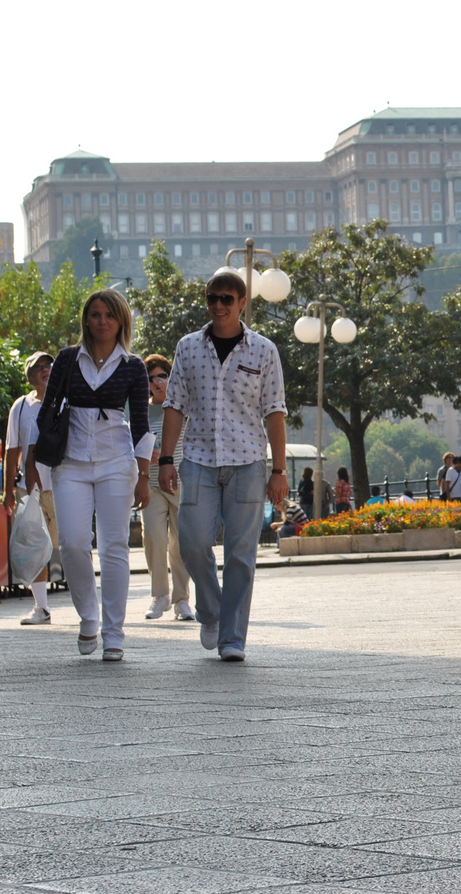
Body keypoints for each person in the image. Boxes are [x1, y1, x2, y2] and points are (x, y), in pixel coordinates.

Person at [157, 267, 288, 663]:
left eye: (227, 299)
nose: (219, 305)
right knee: (193, 543)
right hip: (198, 459)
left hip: (248, 461)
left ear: (242, 302)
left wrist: (278, 471)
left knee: (240, 553)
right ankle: (211, 611)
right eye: (213, 298)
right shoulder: (188, 347)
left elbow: (275, 412)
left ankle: (232, 637)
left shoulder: (263, 350)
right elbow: (174, 404)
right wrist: (166, 459)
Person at [25, 290, 152, 662]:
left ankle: (114, 632)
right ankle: (88, 617)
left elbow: (142, 425)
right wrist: (33, 460)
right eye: (95, 315)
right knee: (73, 542)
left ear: (121, 321)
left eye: (109, 316)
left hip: (117, 461)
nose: (101, 322)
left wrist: (144, 474)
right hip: (71, 462)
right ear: (86, 320)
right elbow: (48, 409)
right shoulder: (66, 358)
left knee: (115, 548)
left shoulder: (133, 365)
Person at [3, 351, 59, 625]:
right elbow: (12, 450)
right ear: (29, 376)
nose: (46, 369)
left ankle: (90, 607)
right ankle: (42, 608)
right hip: (31, 488)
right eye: (39, 367)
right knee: (35, 548)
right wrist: (7, 490)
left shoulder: (63, 401)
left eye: (49, 365)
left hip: (63, 484)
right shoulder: (21, 407)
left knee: (73, 544)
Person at [141, 355, 192, 622]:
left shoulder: (182, 406)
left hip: (179, 481)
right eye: (150, 379)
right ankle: (159, 595)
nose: (156, 382)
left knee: (180, 543)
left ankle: (181, 600)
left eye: (161, 376)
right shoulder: (139, 409)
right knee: (154, 538)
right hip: (150, 483)